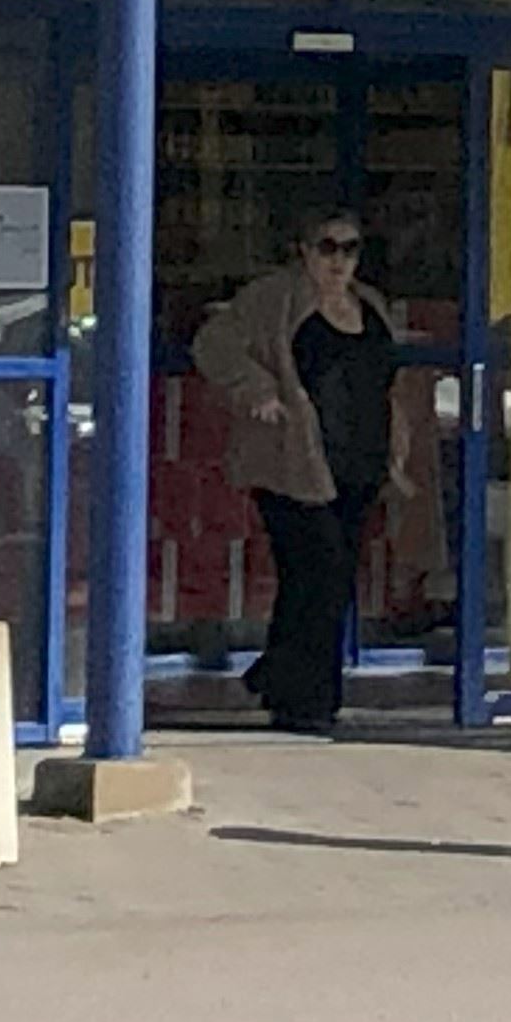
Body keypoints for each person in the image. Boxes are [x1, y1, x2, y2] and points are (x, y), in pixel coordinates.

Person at [189, 209, 405, 735]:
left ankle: (280, 680)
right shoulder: (274, 298)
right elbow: (213, 345)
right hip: (291, 461)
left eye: (350, 248)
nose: (339, 260)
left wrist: (397, 451)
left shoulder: (370, 305)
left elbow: (385, 380)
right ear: (304, 250)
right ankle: (309, 700)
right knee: (320, 572)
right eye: (327, 247)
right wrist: (257, 390)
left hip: (357, 462)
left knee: (323, 579)